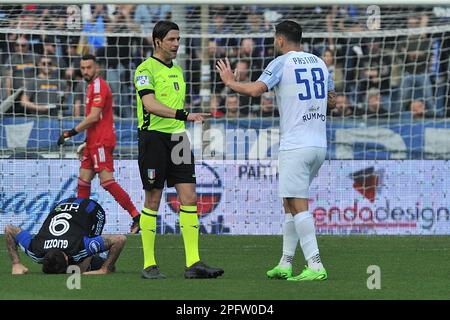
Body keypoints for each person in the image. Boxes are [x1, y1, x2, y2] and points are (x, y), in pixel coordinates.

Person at [216, 20, 336, 281]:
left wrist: (230, 83)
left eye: (274, 38)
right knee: (288, 202)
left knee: (297, 203)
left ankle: (315, 264)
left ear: (280, 40)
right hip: (318, 144)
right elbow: (332, 102)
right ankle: (285, 262)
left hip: (296, 144)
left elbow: (256, 90)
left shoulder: (282, 62)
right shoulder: (320, 63)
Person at [134, 20, 223, 279]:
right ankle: (149, 264)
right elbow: (149, 104)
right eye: (172, 39)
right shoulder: (144, 69)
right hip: (153, 139)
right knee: (153, 199)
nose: (176, 44)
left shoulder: (178, 71)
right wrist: (185, 114)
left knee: (190, 197)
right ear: (157, 41)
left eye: (178, 39)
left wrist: (182, 120)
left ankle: (193, 263)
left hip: (178, 138)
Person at [57, 54, 140, 234]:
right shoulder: (89, 87)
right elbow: (96, 120)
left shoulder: (100, 86)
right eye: (83, 68)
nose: (85, 71)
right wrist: (87, 138)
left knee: (107, 181)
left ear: (97, 68)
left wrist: (70, 133)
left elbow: (94, 117)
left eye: (89, 67)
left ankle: (136, 216)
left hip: (102, 142)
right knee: (83, 181)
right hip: (92, 141)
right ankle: (80, 223)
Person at [4, 197, 126, 275]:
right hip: (62, 204)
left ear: (67, 259)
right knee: (79, 263)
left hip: (91, 209)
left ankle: (102, 263)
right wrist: (16, 264)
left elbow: (120, 239)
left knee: (82, 266)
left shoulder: (79, 247)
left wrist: (105, 269)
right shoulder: (35, 248)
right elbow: (9, 229)